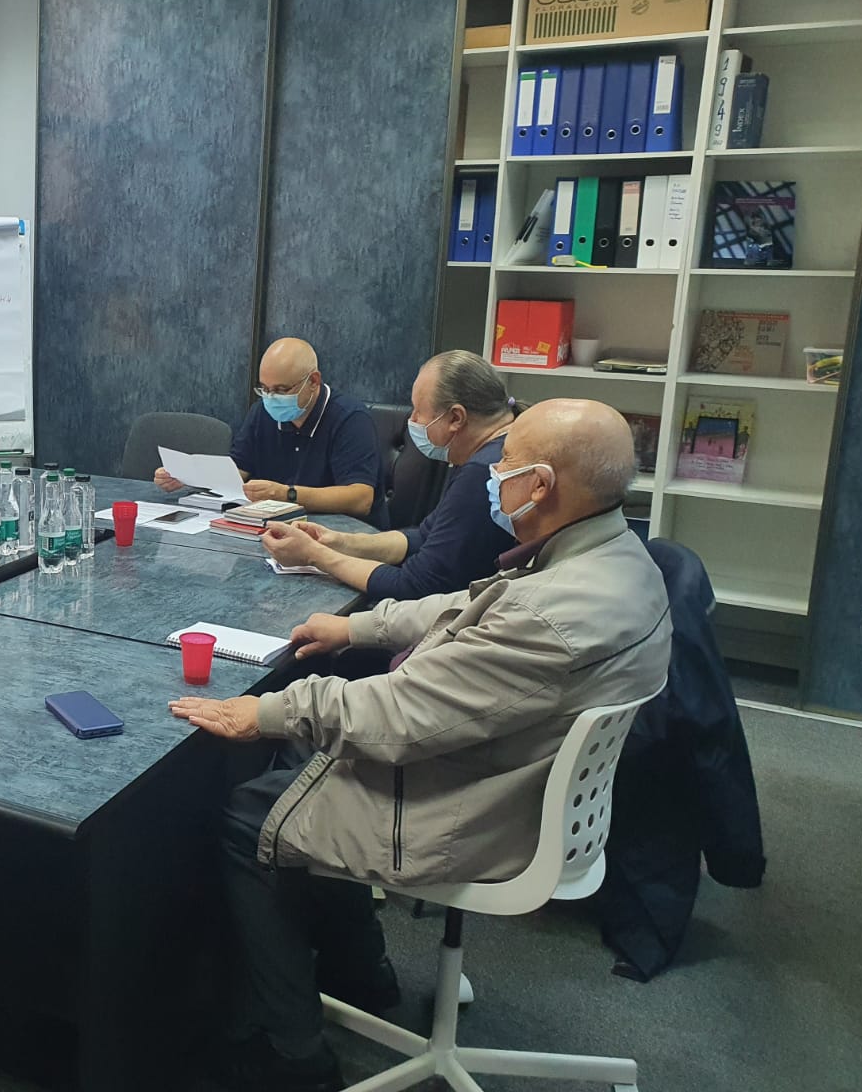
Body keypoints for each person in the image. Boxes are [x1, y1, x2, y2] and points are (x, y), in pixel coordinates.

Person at [169, 398, 672, 1091]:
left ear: (541, 486)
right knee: (300, 763)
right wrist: (361, 628)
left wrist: (268, 709)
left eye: (507, 463)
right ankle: (360, 971)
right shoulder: (616, 557)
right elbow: (475, 603)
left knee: (249, 816)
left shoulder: (548, 615)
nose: (493, 474)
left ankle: (291, 1052)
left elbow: (399, 715)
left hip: (485, 809)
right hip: (525, 774)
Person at [261, 350, 517, 600]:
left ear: (456, 418)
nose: (412, 419)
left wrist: (315, 555)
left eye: (418, 410)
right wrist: (340, 542)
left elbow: (414, 585)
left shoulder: (482, 474)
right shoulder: (487, 454)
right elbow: (424, 537)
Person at [155, 338, 387, 527]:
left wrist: (287, 494)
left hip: (344, 535)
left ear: (313, 381)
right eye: (265, 389)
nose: (271, 398)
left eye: (281, 390)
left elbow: (360, 499)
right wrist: (186, 477)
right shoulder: (262, 412)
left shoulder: (350, 419)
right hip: (276, 529)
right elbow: (237, 473)